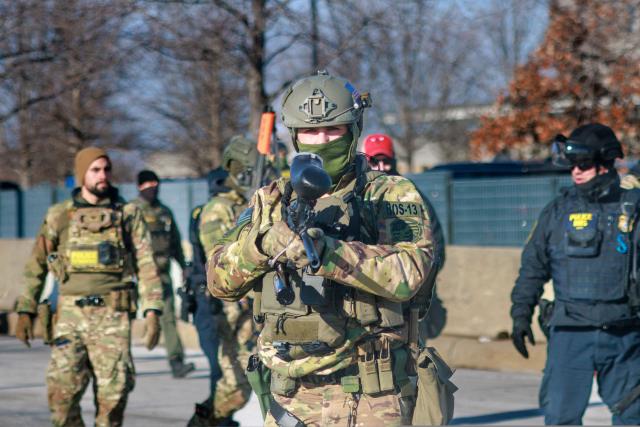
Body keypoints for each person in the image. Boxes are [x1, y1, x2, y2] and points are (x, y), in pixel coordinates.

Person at [207, 71, 436, 425]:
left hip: (370, 396)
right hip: (292, 397)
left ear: (353, 130)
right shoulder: (271, 199)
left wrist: (328, 253)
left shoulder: (388, 193)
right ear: (296, 137)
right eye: (310, 132)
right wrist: (263, 245)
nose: (321, 141)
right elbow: (219, 280)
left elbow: (409, 274)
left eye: (333, 131)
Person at [14, 147, 164, 426]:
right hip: (70, 317)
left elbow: (146, 264)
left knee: (114, 397)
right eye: (95, 170)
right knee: (61, 395)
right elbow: (36, 266)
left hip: (113, 315)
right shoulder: (59, 215)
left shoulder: (128, 214)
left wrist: (153, 309)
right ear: (82, 174)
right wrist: (26, 310)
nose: (103, 176)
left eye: (106, 169)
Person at [510, 123, 640, 425]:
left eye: (584, 164)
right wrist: (520, 314)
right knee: (560, 418)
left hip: (624, 334)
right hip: (570, 333)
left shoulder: (633, 210)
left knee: (633, 416)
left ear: (606, 163)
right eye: (572, 165)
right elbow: (533, 266)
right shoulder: (557, 211)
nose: (576, 172)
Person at [186, 136, 258, 426]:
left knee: (248, 385)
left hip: (253, 312)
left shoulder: (253, 202)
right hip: (231, 311)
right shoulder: (219, 208)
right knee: (235, 387)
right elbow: (221, 261)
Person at [363, 133, 447, 340]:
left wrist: (420, 277)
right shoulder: (359, 195)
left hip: (407, 288)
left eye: (386, 161)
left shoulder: (409, 194)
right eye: (375, 161)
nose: (381, 167)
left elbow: (435, 244)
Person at [132, 170, 195, 378]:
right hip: (136, 275)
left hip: (162, 275)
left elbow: (175, 242)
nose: (153, 186)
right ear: (139, 186)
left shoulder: (165, 212)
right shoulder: (132, 210)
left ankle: (176, 362)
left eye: (155, 182)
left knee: (168, 318)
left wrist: (183, 265)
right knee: (125, 317)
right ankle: (121, 363)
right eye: (147, 183)